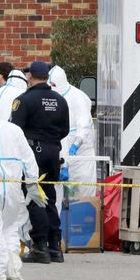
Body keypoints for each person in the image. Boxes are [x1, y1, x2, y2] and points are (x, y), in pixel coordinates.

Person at [11, 61, 70, 264]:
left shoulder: (24, 100)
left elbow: (15, 131)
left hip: (32, 153)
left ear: (30, 76)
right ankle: (55, 247)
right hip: (53, 152)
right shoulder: (60, 100)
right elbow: (65, 130)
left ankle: (40, 246)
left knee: (34, 197)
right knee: (50, 197)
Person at [0, 105, 43, 280]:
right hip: (13, 187)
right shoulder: (14, 129)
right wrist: (33, 185)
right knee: (9, 228)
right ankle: (13, 269)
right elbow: (29, 159)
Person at [49, 65, 97, 199]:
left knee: (83, 193)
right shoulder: (54, 98)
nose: (51, 87)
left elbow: (84, 125)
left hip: (81, 157)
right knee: (63, 198)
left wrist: (76, 144)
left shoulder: (78, 97)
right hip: (64, 155)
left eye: (53, 84)